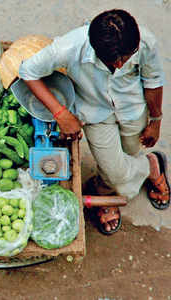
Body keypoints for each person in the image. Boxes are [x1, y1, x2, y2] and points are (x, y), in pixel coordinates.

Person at [19, 9, 167, 235]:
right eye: (112, 60)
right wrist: (61, 114)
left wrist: (155, 120)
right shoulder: (70, 47)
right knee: (116, 172)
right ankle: (149, 168)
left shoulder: (144, 41)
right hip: (96, 115)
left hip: (133, 110)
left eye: (125, 58)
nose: (119, 65)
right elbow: (27, 71)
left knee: (130, 152)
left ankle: (106, 188)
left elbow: (153, 80)